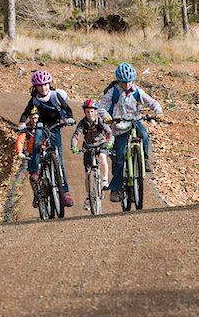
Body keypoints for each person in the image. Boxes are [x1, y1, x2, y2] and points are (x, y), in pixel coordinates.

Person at [98, 62, 163, 202]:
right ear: (119, 81)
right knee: (119, 157)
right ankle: (115, 189)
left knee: (144, 135)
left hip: (134, 121)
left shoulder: (137, 91)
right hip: (120, 125)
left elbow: (151, 102)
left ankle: (144, 160)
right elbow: (102, 107)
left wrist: (158, 112)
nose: (127, 85)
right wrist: (107, 117)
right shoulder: (113, 92)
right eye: (124, 82)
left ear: (133, 80)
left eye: (129, 82)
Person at [18, 69, 75, 207]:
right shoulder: (35, 99)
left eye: (45, 84)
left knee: (59, 161)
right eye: (40, 85)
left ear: (49, 84)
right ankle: (34, 171)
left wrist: (69, 118)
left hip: (56, 125)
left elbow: (67, 109)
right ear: (35, 87)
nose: (43, 88)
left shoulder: (56, 95)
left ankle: (65, 193)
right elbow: (26, 112)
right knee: (37, 143)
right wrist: (21, 123)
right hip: (41, 125)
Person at [70, 98, 114, 211]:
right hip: (88, 146)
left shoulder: (100, 120)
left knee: (103, 158)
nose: (90, 114)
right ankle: (88, 197)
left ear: (96, 111)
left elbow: (109, 132)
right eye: (87, 111)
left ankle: (104, 180)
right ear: (84, 112)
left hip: (101, 144)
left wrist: (110, 142)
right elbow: (76, 135)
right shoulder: (83, 122)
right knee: (87, 172)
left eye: (92, 111)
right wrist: (73, 146)